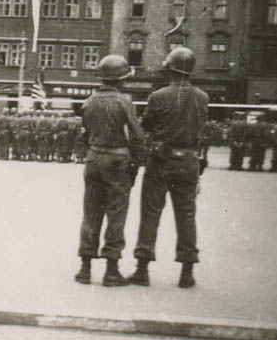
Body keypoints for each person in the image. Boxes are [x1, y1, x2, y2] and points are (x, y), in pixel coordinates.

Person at [129, 47, 207, 289]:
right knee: (186, 216)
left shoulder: (158, 96)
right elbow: (203, 132)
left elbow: (146, 126)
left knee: (150, 214)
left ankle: (142, 270)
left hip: (160, 161)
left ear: (170, 68)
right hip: (188, 161)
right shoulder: (202, 97)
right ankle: (187, 272)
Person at [75, 55, 144, 287]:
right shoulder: (124, 102)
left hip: (94, 158)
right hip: (117, 160)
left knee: (91, 212)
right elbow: (137, 136)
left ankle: (85, 268)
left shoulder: (89, 101)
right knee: (116, 214)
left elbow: (83, 133)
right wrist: (135, 162)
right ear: (121, 80)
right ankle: (111, 270)